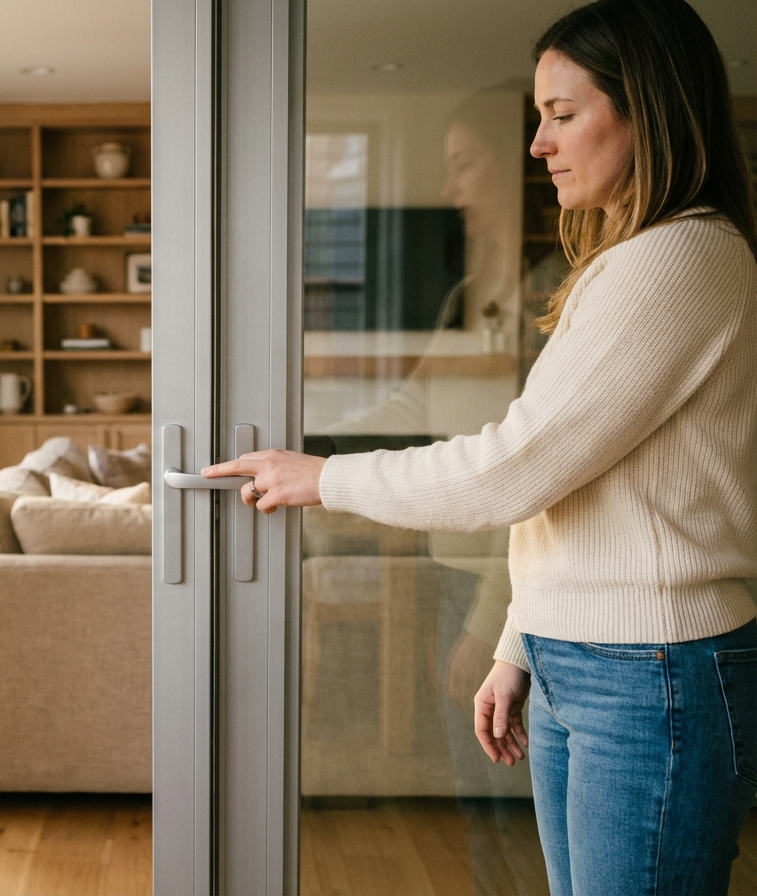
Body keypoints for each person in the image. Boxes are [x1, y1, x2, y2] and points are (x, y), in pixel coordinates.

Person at [204, 0, 757, 892]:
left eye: (563, 115)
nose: (540, 145)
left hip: (651, 677)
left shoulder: (683, 259)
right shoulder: (623, 264)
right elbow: (567, 493)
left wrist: (324, 477)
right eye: (539, 120)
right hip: (590, 662)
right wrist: (520, 642)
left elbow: (516, 467)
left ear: (648, 109)